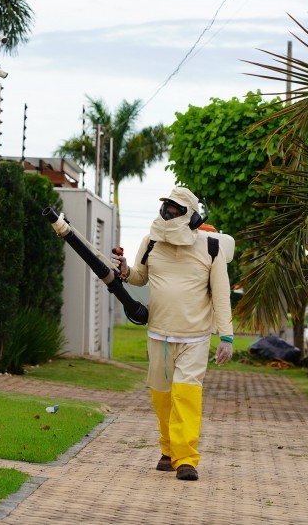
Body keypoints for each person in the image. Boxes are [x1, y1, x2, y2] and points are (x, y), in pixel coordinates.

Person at [111, 186, 234, 482]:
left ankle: (186, 459)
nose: (169, 212)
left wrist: (226, 337)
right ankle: (169, 450)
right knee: (162, 397)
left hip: (195, 337)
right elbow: (140, 277)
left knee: (186, 395)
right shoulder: (151, 242)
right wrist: (126, 269)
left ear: (191, 215)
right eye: (167, 207)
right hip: (159, 335)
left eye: (177, 209)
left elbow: (221, 294)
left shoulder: (211, 247)